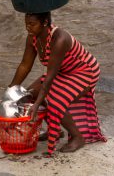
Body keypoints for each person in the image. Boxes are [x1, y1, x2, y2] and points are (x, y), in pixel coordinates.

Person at [8, 12, 106, 156]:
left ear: (45, 23)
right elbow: (24, 66)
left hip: (84, 71)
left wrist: (37, 105)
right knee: (29, 94)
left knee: (55, 101)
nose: (28, 28)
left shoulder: (59, 39)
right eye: (26, 24)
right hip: (63, 70)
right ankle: (55, 130)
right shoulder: (32, 38)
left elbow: (49, 78)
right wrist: (10, 92)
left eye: (32, 24)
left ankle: (78, 137)